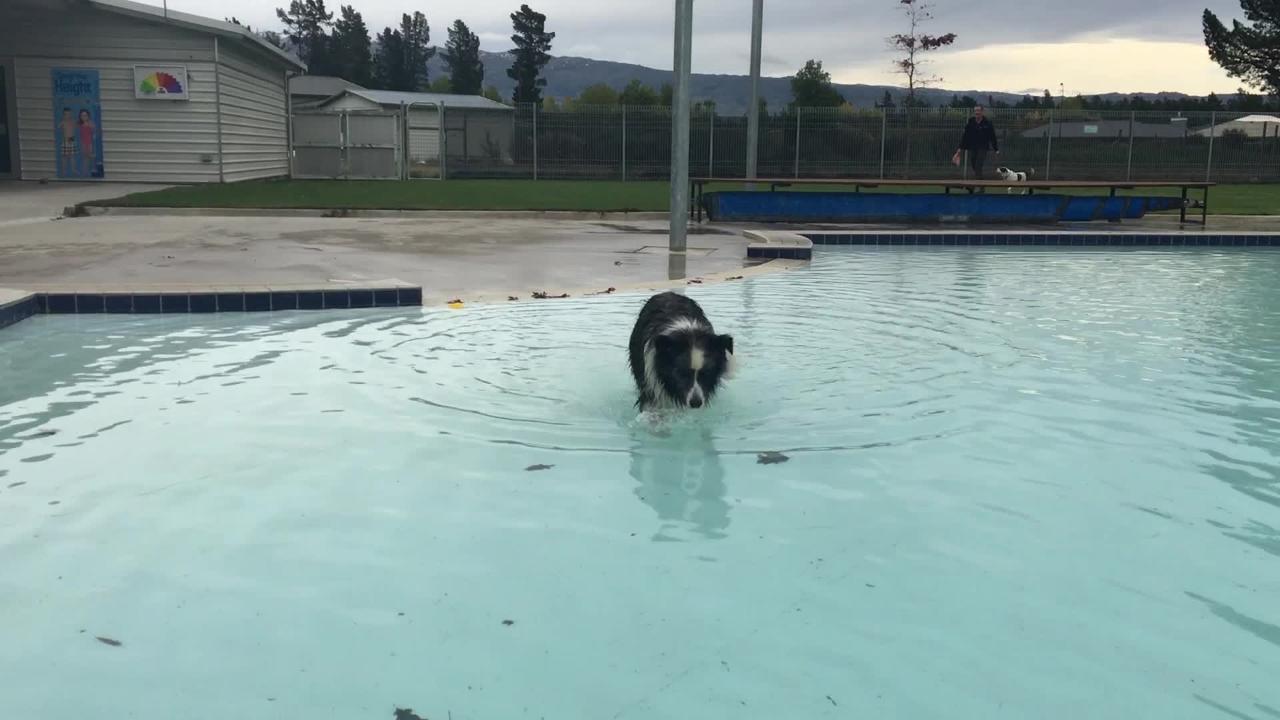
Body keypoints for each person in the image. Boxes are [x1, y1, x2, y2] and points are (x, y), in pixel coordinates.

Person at [953, 105, 999, 181]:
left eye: (978, 110)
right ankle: (980, 182)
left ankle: (979, 186)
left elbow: (992, 137)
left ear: (982, 112)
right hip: (973, 147)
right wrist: (960, 149)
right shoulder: (971, 122)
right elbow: (965, 136)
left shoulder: (987, 123)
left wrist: (996, 149)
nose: (977, 112)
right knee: (974, 165)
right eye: (975, 111)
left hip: (983, 147)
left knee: (978, 165)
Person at [77, 109, 97, 177]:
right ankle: (85, 171)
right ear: (80, 116)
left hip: (89, 142)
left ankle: (89, 169)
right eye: (82, 115)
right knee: (85, 157)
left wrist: (93, 133)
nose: (84, 117)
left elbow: (94, 130)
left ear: (88, 116)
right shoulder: (80, 124)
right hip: (83, 142)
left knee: (88, 156)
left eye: (85, 115)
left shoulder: (90, 123)